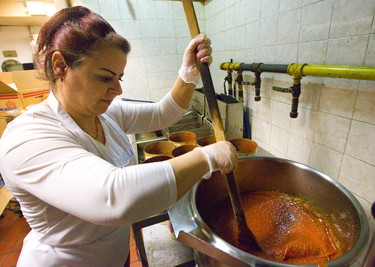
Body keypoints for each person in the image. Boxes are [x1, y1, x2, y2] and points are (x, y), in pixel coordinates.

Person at [0, 6, 237, 267]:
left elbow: (162, 114)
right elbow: (114, 197)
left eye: (119, 77)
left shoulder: (106, 113)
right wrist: (206, 157)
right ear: (60, 66)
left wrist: (188, 74)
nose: (117, 89)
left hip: (115, 256)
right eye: (105, 78)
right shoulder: (26, 138)